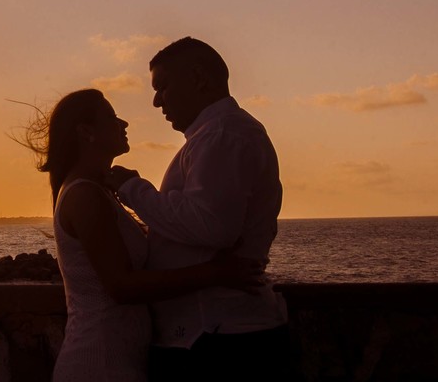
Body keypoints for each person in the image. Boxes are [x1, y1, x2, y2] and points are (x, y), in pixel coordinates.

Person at [24, 88, 262, 382]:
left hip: (116, 358)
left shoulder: (97, 191)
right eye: (111, 118)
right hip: (99, 362)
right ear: (86, 132)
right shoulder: (85, 195)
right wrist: (216, 273)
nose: (123, 124)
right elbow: (122, 286)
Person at [108, 37, 290, 382]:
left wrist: (133, 188)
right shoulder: (218, 135)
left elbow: (212, 225)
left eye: (163, 86)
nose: (156, 100)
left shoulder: (222, 135)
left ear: (199, 79)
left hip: (218, 339)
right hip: (215, 333)